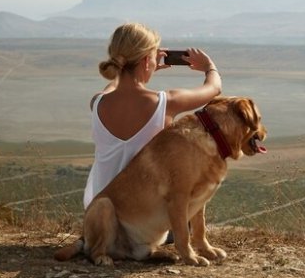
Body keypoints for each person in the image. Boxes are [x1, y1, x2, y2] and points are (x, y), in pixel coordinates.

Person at [82, 22, 222, 208]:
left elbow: (113, 88)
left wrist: (144, 68)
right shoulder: (166, 103)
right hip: (145, 222)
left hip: (100, 220)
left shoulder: (98, 103)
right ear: (147, 61)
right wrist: (209, 67)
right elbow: (214, 88)